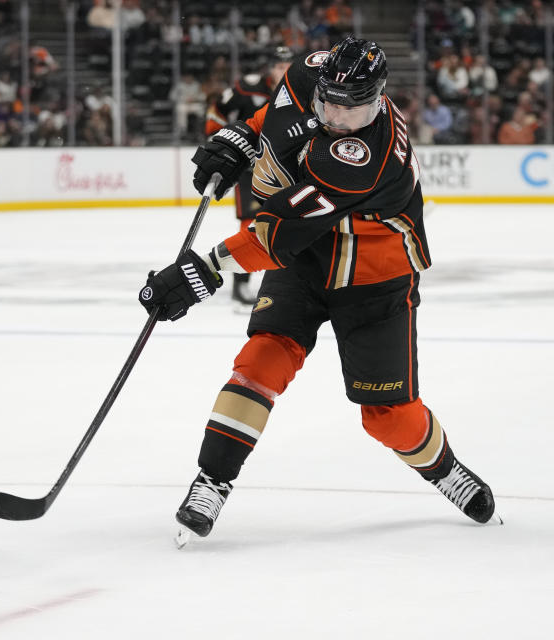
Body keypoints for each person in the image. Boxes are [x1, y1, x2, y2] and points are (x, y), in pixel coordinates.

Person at [138, 38, 496, 543]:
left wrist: (203, 271)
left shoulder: (360, 156)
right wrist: (242, 136)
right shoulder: (310, 72)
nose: (337, 118)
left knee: (387, 419)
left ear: (378, 98)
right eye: (330, 104)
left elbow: (276, 233)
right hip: (308, 260)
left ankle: (444, 469)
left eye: (354, 111)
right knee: (261, 360)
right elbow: (278, 116)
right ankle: (212, 480)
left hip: (375, 274)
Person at [204, 46, 294, 306]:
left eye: (288, 66)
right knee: (251, 224)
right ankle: (240, 284)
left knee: (287, 224)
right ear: (269, 68)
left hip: (286, 169)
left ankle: (285, 284)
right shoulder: (248, 88)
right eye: (279, 66)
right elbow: (217, 110)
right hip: (250, 170)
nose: (284, 71)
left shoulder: (301, 88)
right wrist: (218, 141)